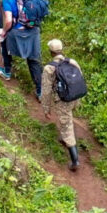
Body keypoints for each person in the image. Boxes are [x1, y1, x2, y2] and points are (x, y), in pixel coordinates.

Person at [41, 39, 83, 171]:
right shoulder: (72, 62)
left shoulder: (49, 68)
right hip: (75, 97)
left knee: (67, 127)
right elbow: (80, 78)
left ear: (51, 52)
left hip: (63, 101)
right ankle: (65, 138)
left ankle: (75, 161)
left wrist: (46, 109)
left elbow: (46, 91)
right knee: (67, 119)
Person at [0, 0, 42, 97]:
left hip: (17, 32)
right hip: (33, 30)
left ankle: (7, 71)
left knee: (3, 40)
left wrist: (4, 32)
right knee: (33, 60)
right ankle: (40, 91)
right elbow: (41, 7)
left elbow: (9, 21)